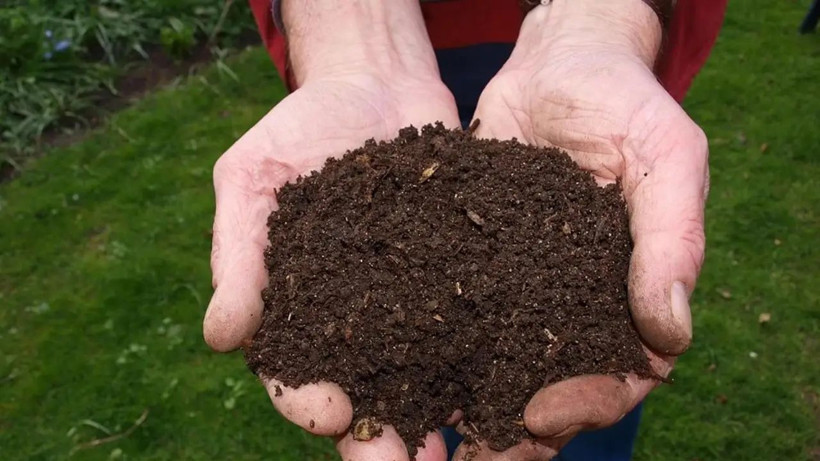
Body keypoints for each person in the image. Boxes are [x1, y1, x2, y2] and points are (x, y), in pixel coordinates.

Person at [203, 1, 727, 460]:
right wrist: (354, 32)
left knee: (584, 400)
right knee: (463, 416)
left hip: (590, 41)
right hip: (394, 43)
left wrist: (601, 22)